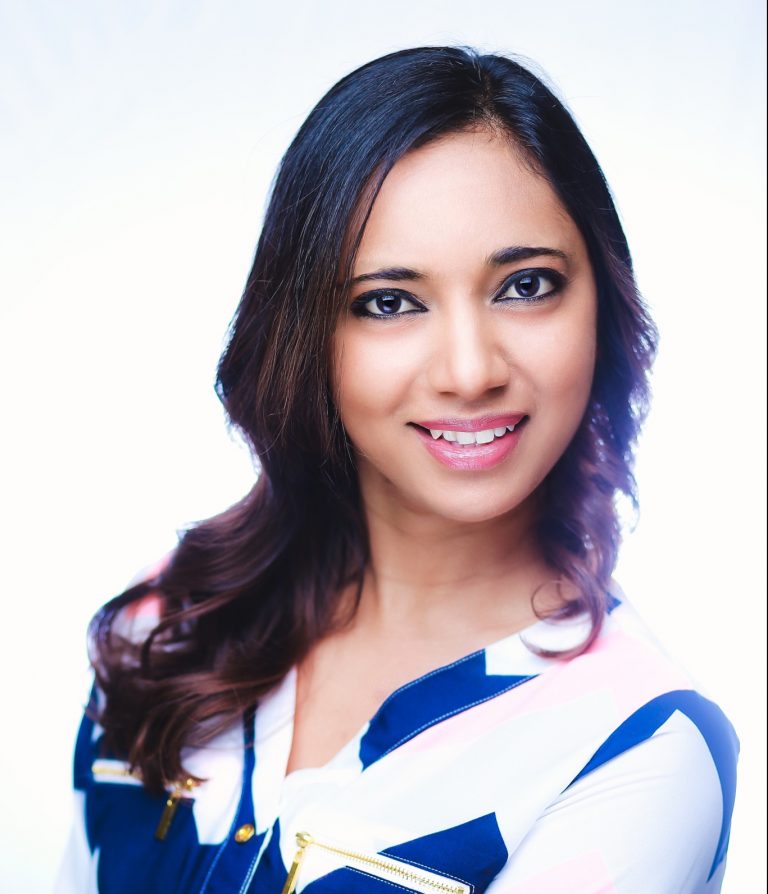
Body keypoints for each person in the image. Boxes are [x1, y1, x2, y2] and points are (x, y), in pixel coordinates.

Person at [55, 46, 738, 893]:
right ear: (306, 334)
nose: (469, 370)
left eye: (526, 286)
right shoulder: (171, 621)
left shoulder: (636, 747)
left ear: (604, 301)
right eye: (389, 302)